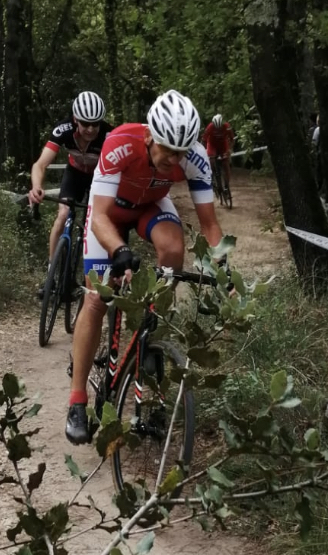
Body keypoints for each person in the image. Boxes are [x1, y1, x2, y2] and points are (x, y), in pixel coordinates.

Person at [64, 89, 224, 445]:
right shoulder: (121, 142)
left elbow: (210, 226)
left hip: (150, 205)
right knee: (96, 298)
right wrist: (119, 250)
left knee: (173, 248)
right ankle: (77, 401)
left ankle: (148, 332)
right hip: (109, 212)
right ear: (150, 135)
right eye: (167, 149)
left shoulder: (194, 159)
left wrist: (223, 269)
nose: (175, 159)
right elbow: (100, 217)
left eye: (182, 151)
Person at [28, 91, 112, 293]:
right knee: (63, 215)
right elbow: (39, 165)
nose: (91, 129)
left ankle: (89, 274)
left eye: (96, 124)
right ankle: (51, 275)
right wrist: (37, 187)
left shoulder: (110, 136)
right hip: (74, 174)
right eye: (85, 124)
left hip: (98, 179)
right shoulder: (63, 130)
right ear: (75, 120)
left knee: (93, 224)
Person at [204, 114, 235, 191]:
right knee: (211, 160)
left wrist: (229, 150)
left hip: (223, 145)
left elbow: (232, 139)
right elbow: (204, 139)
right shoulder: (210, 127)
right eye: (216, 128)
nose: (218, 129)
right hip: (212, 144)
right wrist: (204, 151)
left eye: (220, 127)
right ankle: (212, 177)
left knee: (226, 164)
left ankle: (226, 185)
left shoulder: (226, 126)